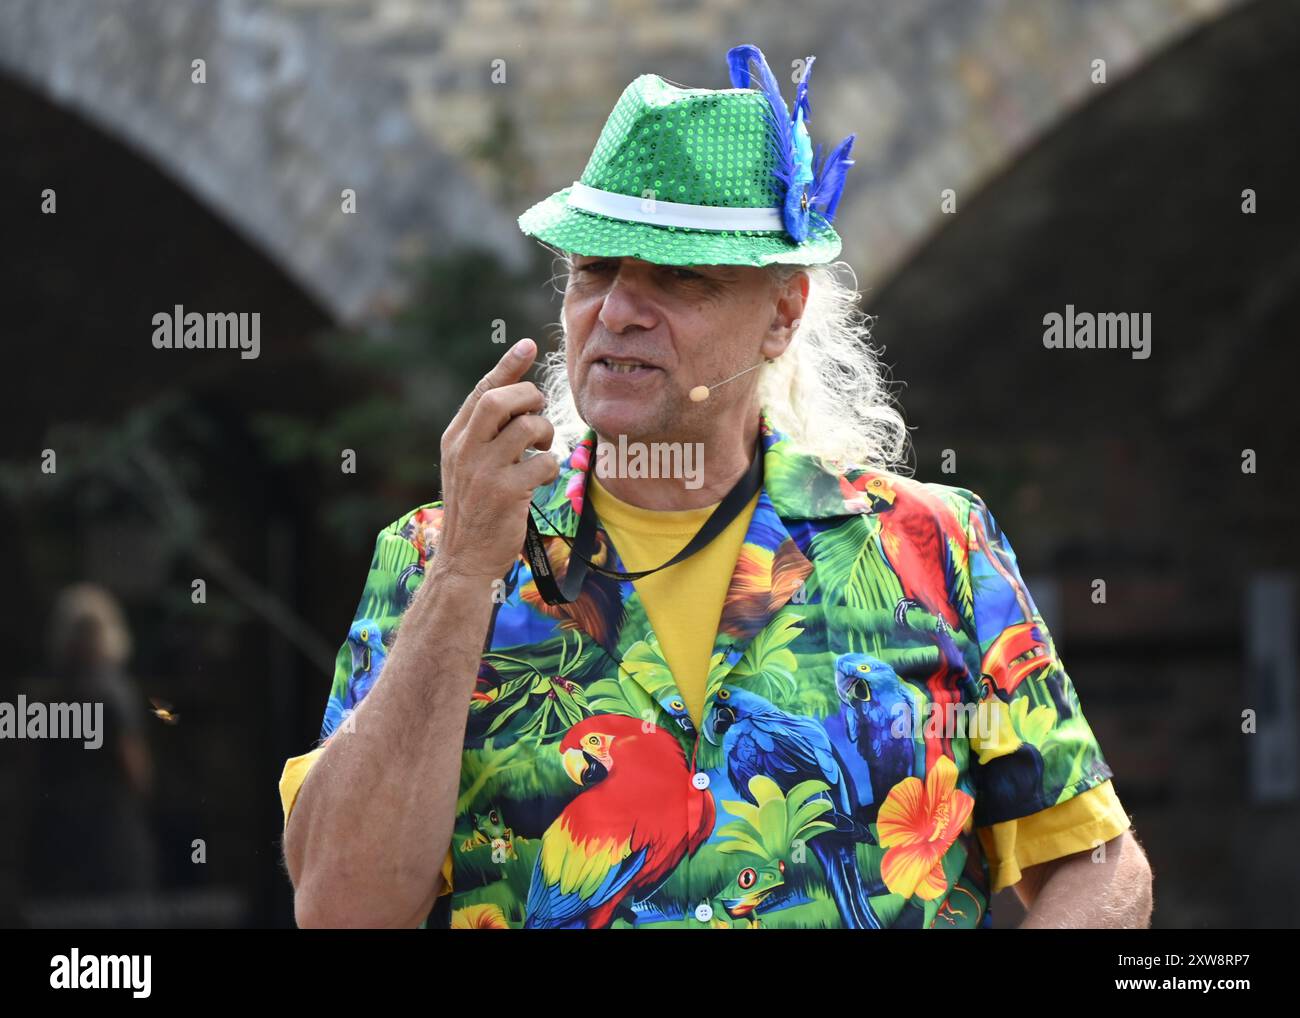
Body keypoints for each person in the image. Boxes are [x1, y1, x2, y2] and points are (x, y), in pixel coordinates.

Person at [280, 43, 1151, 929]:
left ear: (783, 313)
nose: (617, 309)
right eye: (596, 270)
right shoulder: (434, 556)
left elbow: (1100, 867)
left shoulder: (934, 548)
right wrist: (464, 577)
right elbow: (341, 907)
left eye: (677, 276)